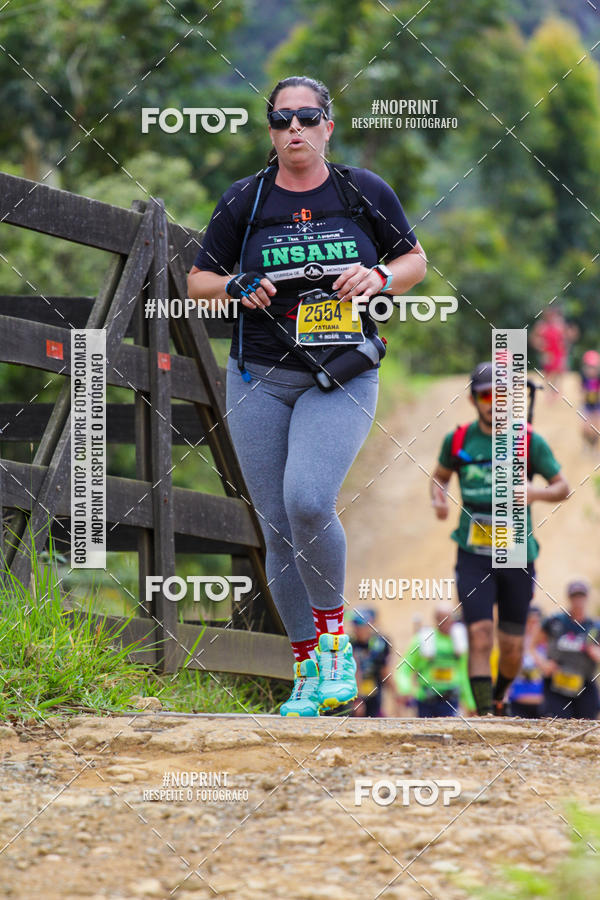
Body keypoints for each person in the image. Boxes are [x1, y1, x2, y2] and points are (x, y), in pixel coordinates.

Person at [187, 75, 427, 716]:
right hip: (259, 375)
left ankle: (335, 650)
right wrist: (236, 285)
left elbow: (414, 262)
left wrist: (377, 273)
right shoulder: (246, 198)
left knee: (308, 500)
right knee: (276, 527)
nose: (294, 128)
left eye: (307, 117)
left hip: (343, 371)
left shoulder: (362, 191)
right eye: (281, 118)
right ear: (270, 130)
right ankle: (306, 677)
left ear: (327, 125)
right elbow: (197, 280)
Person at [430, 361, 570, 716]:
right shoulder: (459, 440)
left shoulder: (529, 441)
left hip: (517, 553)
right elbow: (439, 477)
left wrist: (533, 493)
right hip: (472, 554)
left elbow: (562, 487)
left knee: (510, 647)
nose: (494, 402)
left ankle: (497, 696)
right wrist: (439, 499)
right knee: (479, 634)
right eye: (486, 395)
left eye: (503, 395)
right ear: (473, 399)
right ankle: (482, 713)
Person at [395, 603, 475, 717]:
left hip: (450, 700)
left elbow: (464, 673)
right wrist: (405, 689)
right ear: (437, 620)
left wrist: (470, 703)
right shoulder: (423, 640)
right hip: (426, 700)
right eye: (444, 620)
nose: (448, 623)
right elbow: (404, 667)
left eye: (450, 619)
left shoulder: (460, 644)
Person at [541, 580, 600, 719]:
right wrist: (543, 663)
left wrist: (594, 651)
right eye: (575, 596)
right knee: (557, 723)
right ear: (569, 597)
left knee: (586, 724)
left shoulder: (594, 626)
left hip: (584, 682)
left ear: (586, 598)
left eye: (581, 596)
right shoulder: (555, 621)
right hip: (556, 683)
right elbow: (531, 645)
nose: (578, 601)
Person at [347, 609, 394, 717]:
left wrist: (396, 696)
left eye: (361, 624)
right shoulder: (349, 643)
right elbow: (355, 672)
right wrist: (357, 699)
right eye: (354, 624)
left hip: (374, 694)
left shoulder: (380, 643)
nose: (357, 628)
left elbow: (385, 671)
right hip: (353, 696)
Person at [508, 605, 547, 718]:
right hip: (517, 703)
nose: (531, 626)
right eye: (528, 622)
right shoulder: (513, 646)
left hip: (542, 704)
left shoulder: (547, 648)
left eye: (535, 622)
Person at [579, 350, 600, 449]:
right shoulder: (584, 379)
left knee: (596, 427)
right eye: (589, 367)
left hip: (597, 406)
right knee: (585, 427)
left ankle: (594, 445)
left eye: (593, 368)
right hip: (587, 406)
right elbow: (581, 392)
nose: (591, 370)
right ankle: (586, 445)